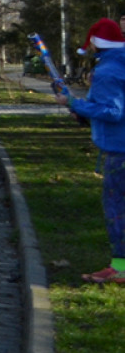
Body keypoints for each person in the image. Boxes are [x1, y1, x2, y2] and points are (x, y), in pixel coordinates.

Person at [58, 19, 125, 283]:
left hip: (119, 152)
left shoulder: (108, 71)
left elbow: (113, 111)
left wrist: (75, 103)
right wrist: (83, 110)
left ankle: (120, 267)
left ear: (96, 42)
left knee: (116, 209)